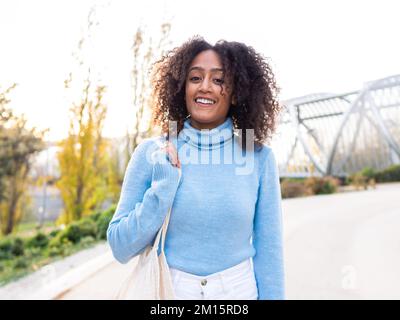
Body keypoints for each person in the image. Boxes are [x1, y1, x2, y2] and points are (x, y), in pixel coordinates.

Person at [107, 36, 285, 300]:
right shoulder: (152, 153)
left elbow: (270, 252)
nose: (205, 87)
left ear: (236, 92)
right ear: (182, 88)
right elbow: (120, 246)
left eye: (219, 80)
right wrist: (163, 187)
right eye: (195, 78)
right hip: (169, 292)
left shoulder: (259, 158)